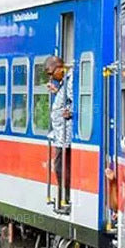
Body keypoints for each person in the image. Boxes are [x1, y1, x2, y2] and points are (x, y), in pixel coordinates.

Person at [45, 56, 73, 208]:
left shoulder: (70, 80)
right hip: (60, 135)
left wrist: (70, 112)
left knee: (59, 166)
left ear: (59, 67)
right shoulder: (64, 82)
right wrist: (57, 92)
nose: (51, 77)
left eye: (51, 73)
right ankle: (64, 194)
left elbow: (78, 101)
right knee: (58, 166)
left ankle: (66, 195)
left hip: (65, 136)